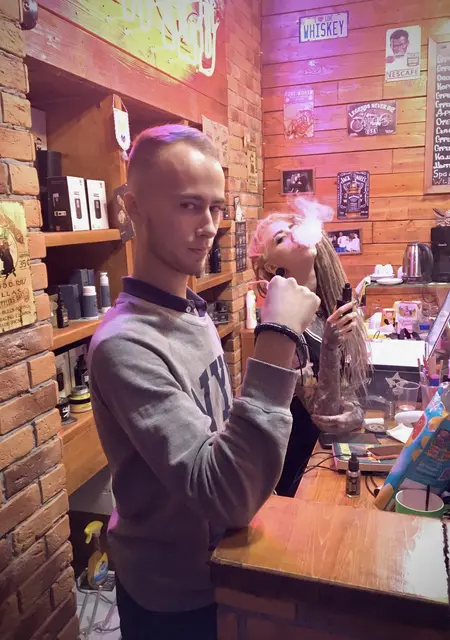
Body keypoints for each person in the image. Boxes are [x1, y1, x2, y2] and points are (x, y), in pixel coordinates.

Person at [88, 125, 320, 640]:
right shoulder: (124, 344)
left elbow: (226, 438)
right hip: (172, 597)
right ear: (133, 207)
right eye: (189, 206)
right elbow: (225, 494)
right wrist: (277, 336)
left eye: (215, 207)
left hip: (225, 566)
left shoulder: (193, 312)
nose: (210, 226)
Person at [249, 213, 368, 496]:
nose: (294, 235)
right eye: (281, 238)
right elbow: (323, 415)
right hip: (299, 473)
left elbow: (345, 389)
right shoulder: (281, 323)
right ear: (271, 266)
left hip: (327, 456)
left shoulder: (326, 307)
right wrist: (329, 346)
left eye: (294, 228)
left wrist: (355, 410)